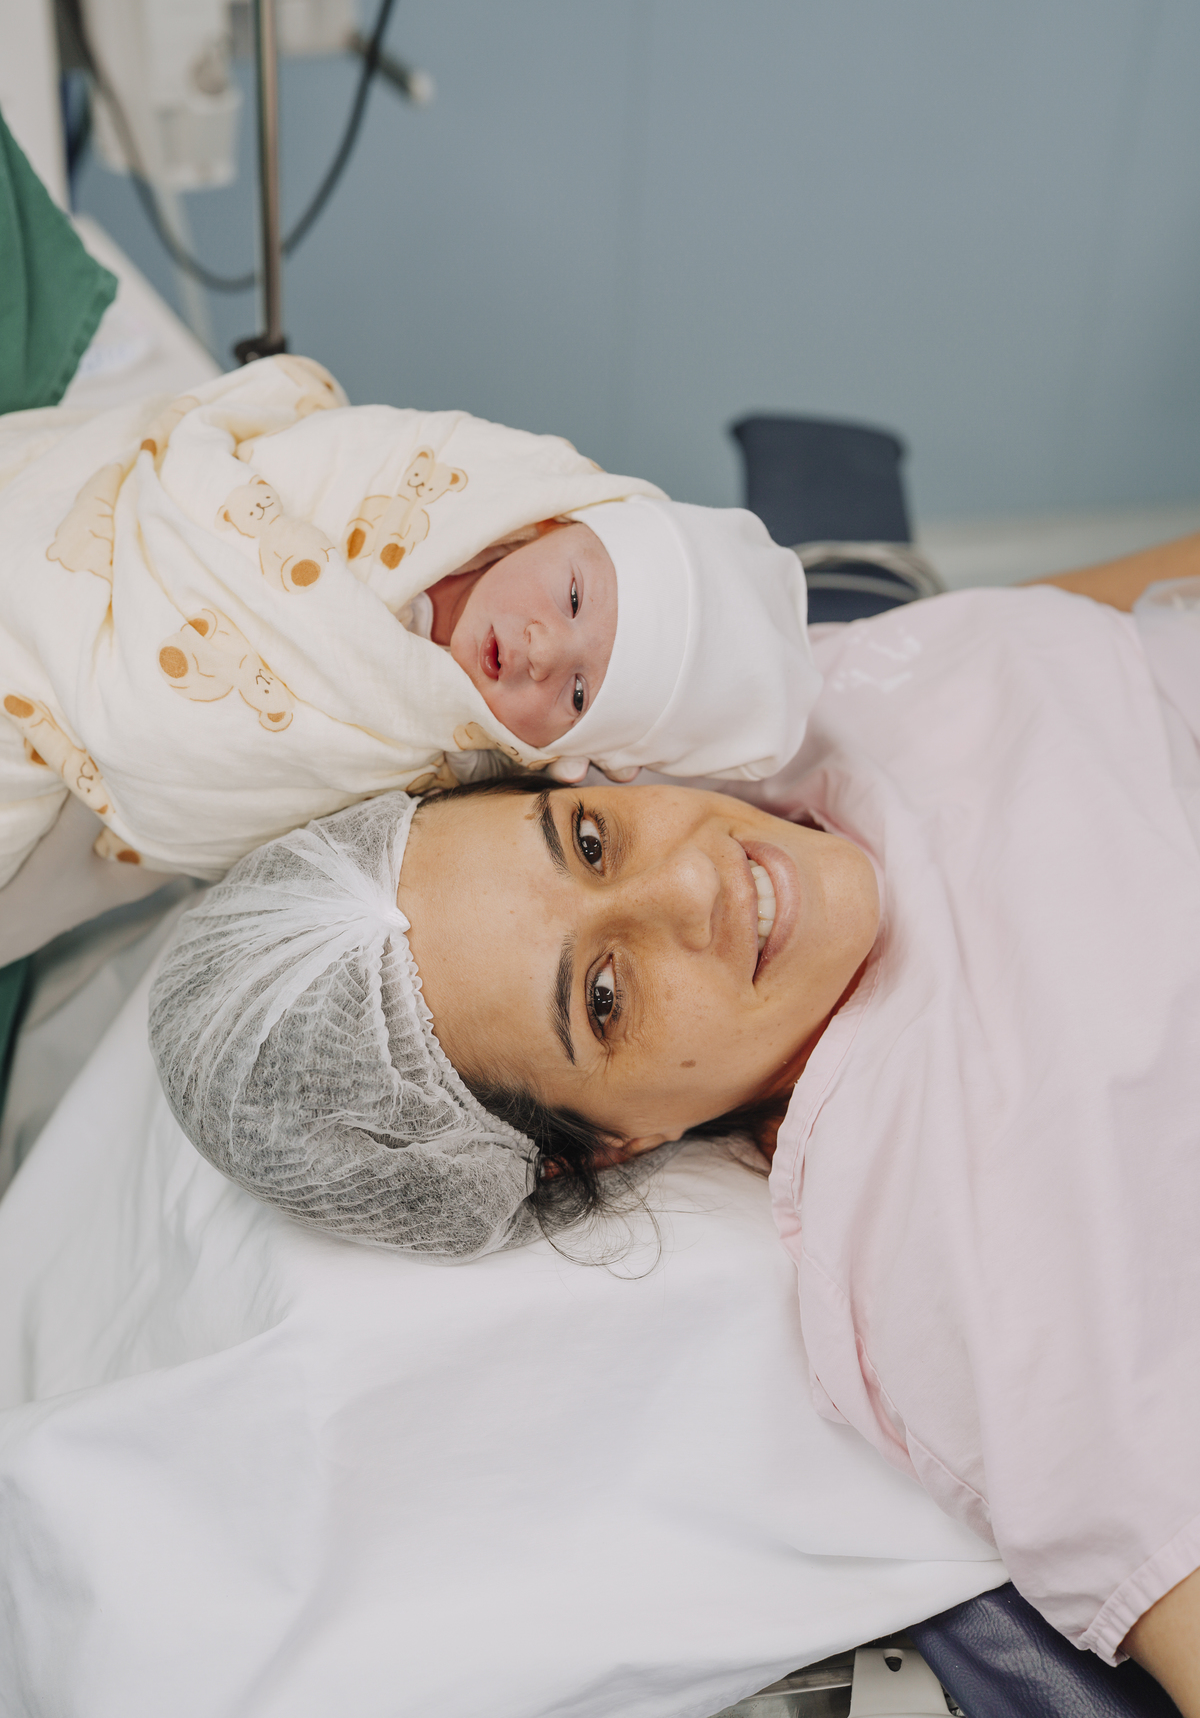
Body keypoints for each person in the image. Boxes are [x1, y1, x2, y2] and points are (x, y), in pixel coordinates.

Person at [149, 527, 1200, 1715]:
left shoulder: (772, 725)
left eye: (589, 843)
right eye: (604, 996)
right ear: (607, 1145)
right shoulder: (949, 1242)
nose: (693, 881)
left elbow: (1075, 631)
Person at [0, 354, 820, 885]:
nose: (543, 650)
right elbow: (216, 482)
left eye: (578, 694)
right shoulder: (438, 473)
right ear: (558, 523)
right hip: (130, 557)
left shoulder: (451, 775)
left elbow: (280, 816)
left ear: (567, 756)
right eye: (572, 597)